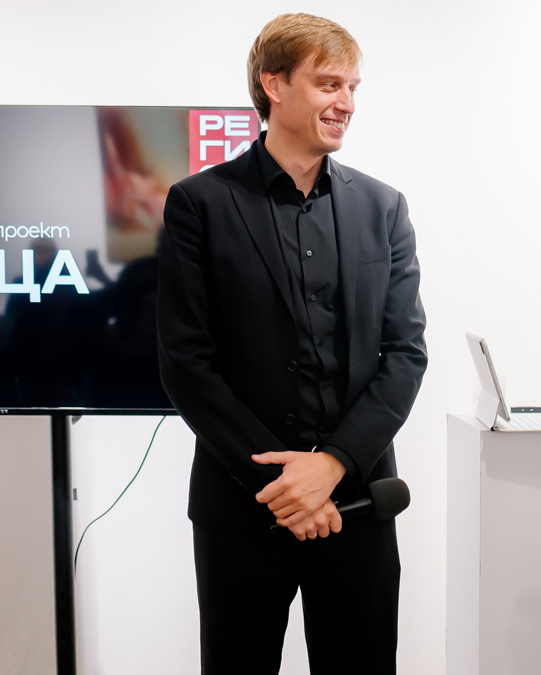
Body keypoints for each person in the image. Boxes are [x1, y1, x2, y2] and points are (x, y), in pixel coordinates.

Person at [156, 13, 427, 674]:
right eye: (329, 83)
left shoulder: (384, 208)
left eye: (353, 87)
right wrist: (285, 485)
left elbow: (406, 354)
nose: (346, 102)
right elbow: (187, 364)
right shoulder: (199, 204)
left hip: (357, 503)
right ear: (273, 85)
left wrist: (331, 464)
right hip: (244, 507)